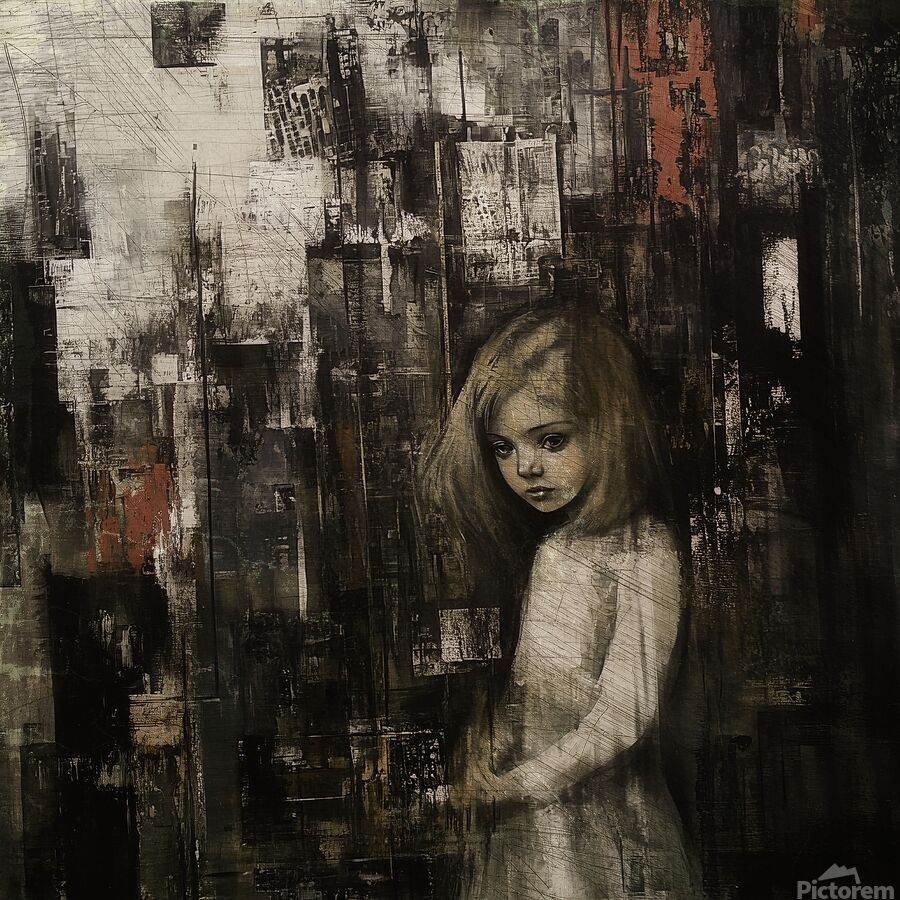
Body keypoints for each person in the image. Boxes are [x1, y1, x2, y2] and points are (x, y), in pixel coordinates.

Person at [417, 301, 703, 899]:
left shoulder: (645, 549)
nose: (525, 467)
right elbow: (532, 688)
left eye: (551, 440)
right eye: (502, 447)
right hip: (530, 817)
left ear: (610, 427)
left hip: (604, 814)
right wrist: (492, 745)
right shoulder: (553, 550)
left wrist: (520, 785)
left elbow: (624, 717)